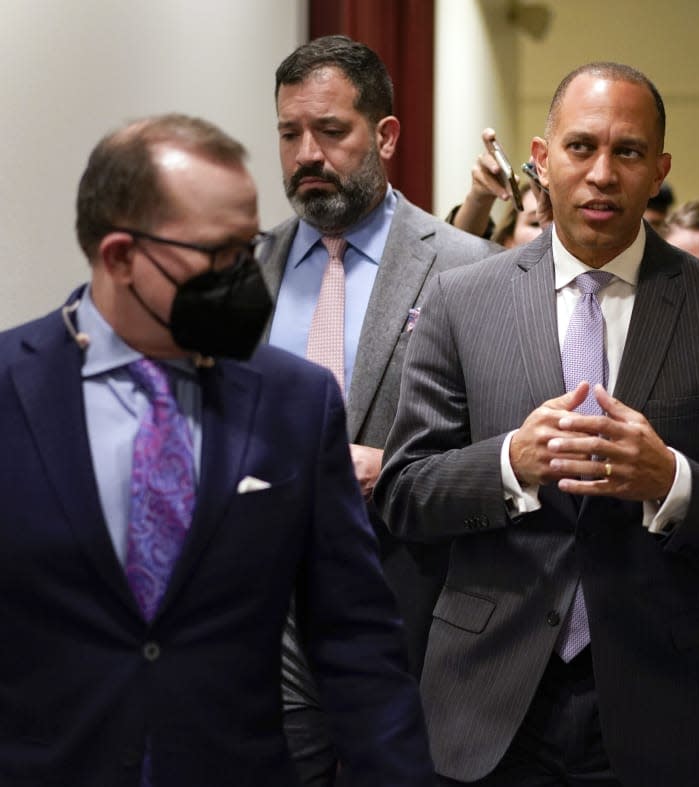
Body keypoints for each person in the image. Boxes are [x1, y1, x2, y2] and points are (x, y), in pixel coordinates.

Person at [374, 61, 699, 785]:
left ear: (659, 169)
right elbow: (405, 491)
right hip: (487, 698)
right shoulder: (459, 301)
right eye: (580, 147)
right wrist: (510, 462)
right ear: (540, 160)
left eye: (628, 152)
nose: (603, 173)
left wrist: (672, 481)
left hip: (657, 698)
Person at [0, 113, 432, 786]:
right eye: (219, 255)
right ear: (120, 256)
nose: (247, 275)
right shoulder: (8, 389)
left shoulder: (295, 402)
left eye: (249, 245)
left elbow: (355, 639)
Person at [255, 35, 497, 785]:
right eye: (291, 133)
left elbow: (503, 446)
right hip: (270, 618)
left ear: (385, 134)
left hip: (409, 607)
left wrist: (394, 469)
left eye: (331, 131)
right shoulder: (246, 268)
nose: (307, 153)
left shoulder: (466, 266)